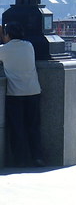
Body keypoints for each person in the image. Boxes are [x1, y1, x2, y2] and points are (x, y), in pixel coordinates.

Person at [0, 22, 45, 167]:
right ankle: (37, 157)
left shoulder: (3, 50)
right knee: (33, 126)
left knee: (17, 127)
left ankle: (20, 159)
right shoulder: (29, 46)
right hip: (33, 91)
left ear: (8, 35)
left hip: (15, 93)